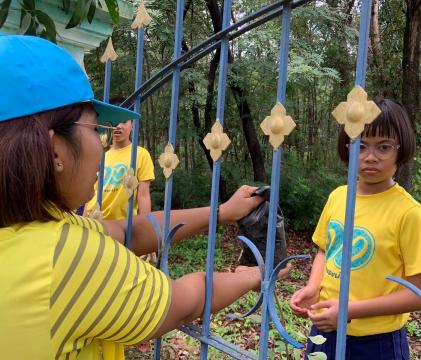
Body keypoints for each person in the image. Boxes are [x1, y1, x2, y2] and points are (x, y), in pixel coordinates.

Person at [0, 34, 288, 360]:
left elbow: (130, 231)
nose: (102, 144)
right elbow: (181, 303)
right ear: (55, 150)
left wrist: (223, 211)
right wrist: (258, 274)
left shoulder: (38, 232)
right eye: (95, 129)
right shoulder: (65, 256)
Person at [290, 98, 421, 359]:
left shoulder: (408, 212)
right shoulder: (338, 196)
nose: (370, 157)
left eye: (383, 147)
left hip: (377, 343)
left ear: (400, 150)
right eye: (360, 145)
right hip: (325, 331)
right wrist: (313, 288)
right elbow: (326, 250)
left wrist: (348, 310)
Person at [85, 97, 155, 222]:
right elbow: (91, 192)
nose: (118, 126)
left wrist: (145, 225)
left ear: (132, 125)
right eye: (114, 121)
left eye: (123, 121)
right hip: (93, 220)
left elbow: (143, 195)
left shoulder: (140, 154)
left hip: (123, 224)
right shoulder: (100, 154)